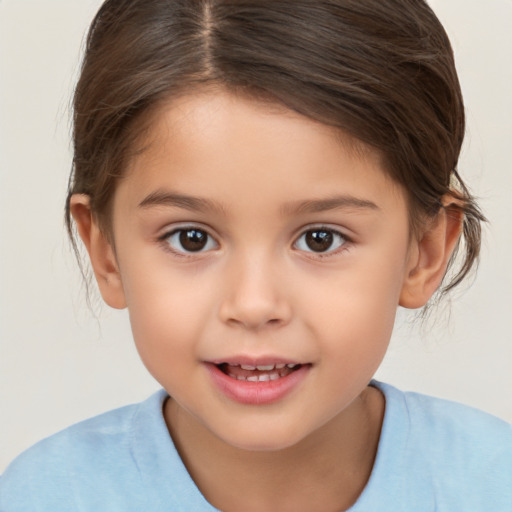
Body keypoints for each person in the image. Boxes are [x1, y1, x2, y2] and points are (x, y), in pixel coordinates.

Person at [1, 0, 510, 510]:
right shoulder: (43, 496)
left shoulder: (493, 484)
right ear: (106, 252)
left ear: (423, 253)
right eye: (190, 238)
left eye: (320, 239)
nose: (253, 303)